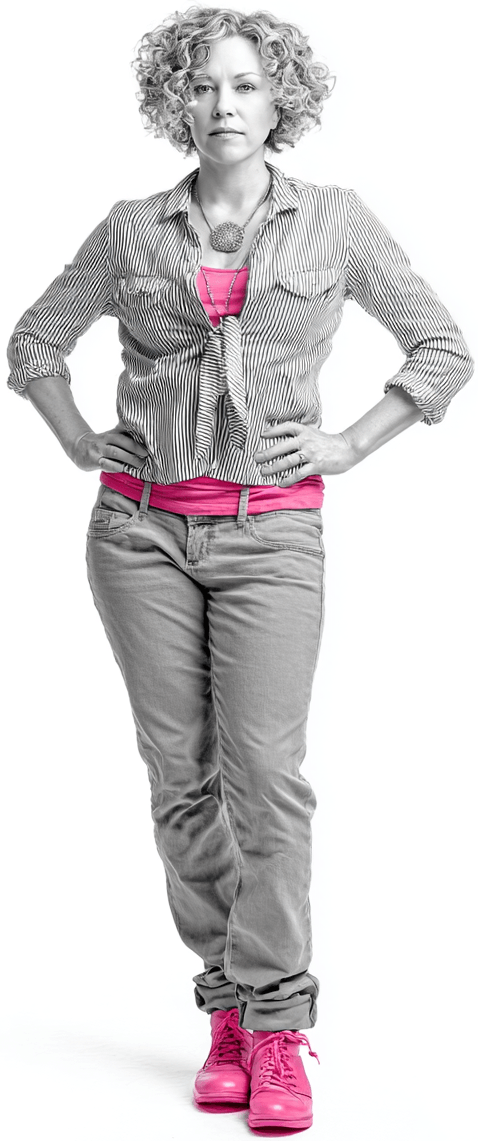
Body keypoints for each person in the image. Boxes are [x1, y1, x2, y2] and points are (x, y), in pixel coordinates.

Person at [6, 5, 473, 1132]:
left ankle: (276, 1024)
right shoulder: (131, 230)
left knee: (265, 779)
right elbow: (34, 343)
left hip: (272, 535)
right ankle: (226, 1004)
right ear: (177, 101)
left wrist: (351, 443)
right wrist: (77, 440)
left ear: (280, 102)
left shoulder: (336, 221)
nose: (224, 104)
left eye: (247, 85)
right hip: (139, 536)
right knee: (181, 779)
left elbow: (441, 345)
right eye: (205, 85)